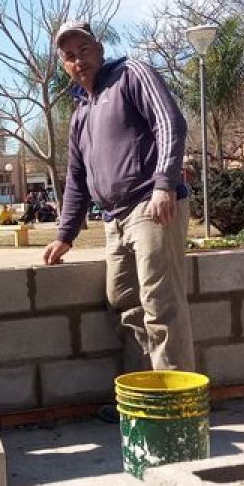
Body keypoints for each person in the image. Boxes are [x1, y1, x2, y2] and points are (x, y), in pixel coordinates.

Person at [44, 20, 195, 376]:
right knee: (124, 306)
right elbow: (77, 179)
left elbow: (170, 123)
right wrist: (65, 236)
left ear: (99, 49)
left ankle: (173, 409)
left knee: (161, 306)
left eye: (84, 50)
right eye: (69, 56)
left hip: (151, 206)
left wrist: (164, 184)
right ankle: (141, 399)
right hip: (114, 219)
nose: (78, 60)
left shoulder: (131, 74)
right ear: (65, 66)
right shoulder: (80, 112)